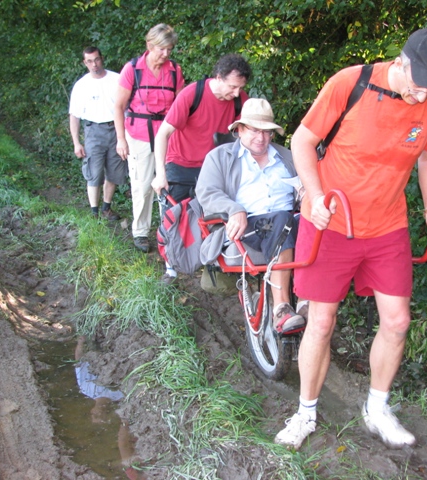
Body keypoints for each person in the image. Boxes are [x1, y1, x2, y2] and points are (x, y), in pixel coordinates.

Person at [274, 28, 427, 450]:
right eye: (420, 83)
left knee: (397, 321)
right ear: (402, 62)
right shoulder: (351, 82)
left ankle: (377, 408)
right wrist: (315, 196)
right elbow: (303, 140)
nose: (423, 93)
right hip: (332, 222)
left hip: (388, 225)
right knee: (320, 322)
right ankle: (305, 414)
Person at [195, 98, 306, 334]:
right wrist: (234, 208)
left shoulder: (287, 157)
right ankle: (282, 308)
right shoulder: (220, 157)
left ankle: (310, 299)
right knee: (281, 221)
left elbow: (307, 187)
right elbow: (206, 192)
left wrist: (307, 195)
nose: (261, 138)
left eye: (267, 132)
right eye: (254, 130)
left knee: (314, 222)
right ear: (239, 130)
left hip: (286, 221)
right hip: (248, 227)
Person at [151, 53, 251, 285]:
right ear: (219, 77)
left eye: (241, 88)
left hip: (213, 167)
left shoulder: (239, 100)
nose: (237, 93)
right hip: (181, 162)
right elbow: (163, 134)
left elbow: (246, 135)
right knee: (175, 217)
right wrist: (160, 173)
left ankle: (209, 263)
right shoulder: (192, 94)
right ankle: (171, 269)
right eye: (233, 87)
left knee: (213, 216)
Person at [114, 24, 184, 253]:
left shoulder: (174, 70)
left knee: (169, 184)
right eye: (162, 49)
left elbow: (181, 106)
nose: (166, 54)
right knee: (143, 185)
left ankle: (169, 231)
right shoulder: (133, 69)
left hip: (168, 136)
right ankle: (141, 232)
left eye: (169, 49)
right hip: (139, 135)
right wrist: (121, 139)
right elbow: (118, 106)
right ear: (150, 45)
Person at [69, 46, 127, 220]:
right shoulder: (81, 85)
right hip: (93, 130)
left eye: (96, 59)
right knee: (94, 172)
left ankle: (106, 208)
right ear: (84, 63)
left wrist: (124, 136)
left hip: (116, 129)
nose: (94, 64)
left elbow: (127, 108)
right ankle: (94, 212)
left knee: (114, 171)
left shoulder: (117, 79)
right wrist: (76, 142)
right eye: (89, 61)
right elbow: (74, 116)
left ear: (101, 59)